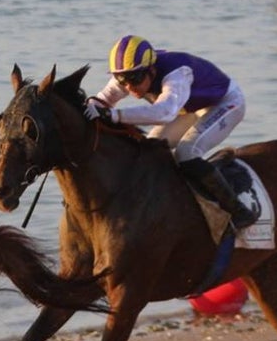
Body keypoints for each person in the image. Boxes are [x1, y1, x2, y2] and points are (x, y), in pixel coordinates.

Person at [84, 35, 258, 229]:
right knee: (149, 148)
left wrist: (113, 116)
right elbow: (101, 101)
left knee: (187, 152)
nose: (129, 86)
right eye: (121, 80)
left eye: (135, 79)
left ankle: (239, 211)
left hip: (225, 103)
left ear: (151, 69)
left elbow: (164, 112)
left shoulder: (177, 74)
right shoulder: (129, 74)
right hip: (188, 108)